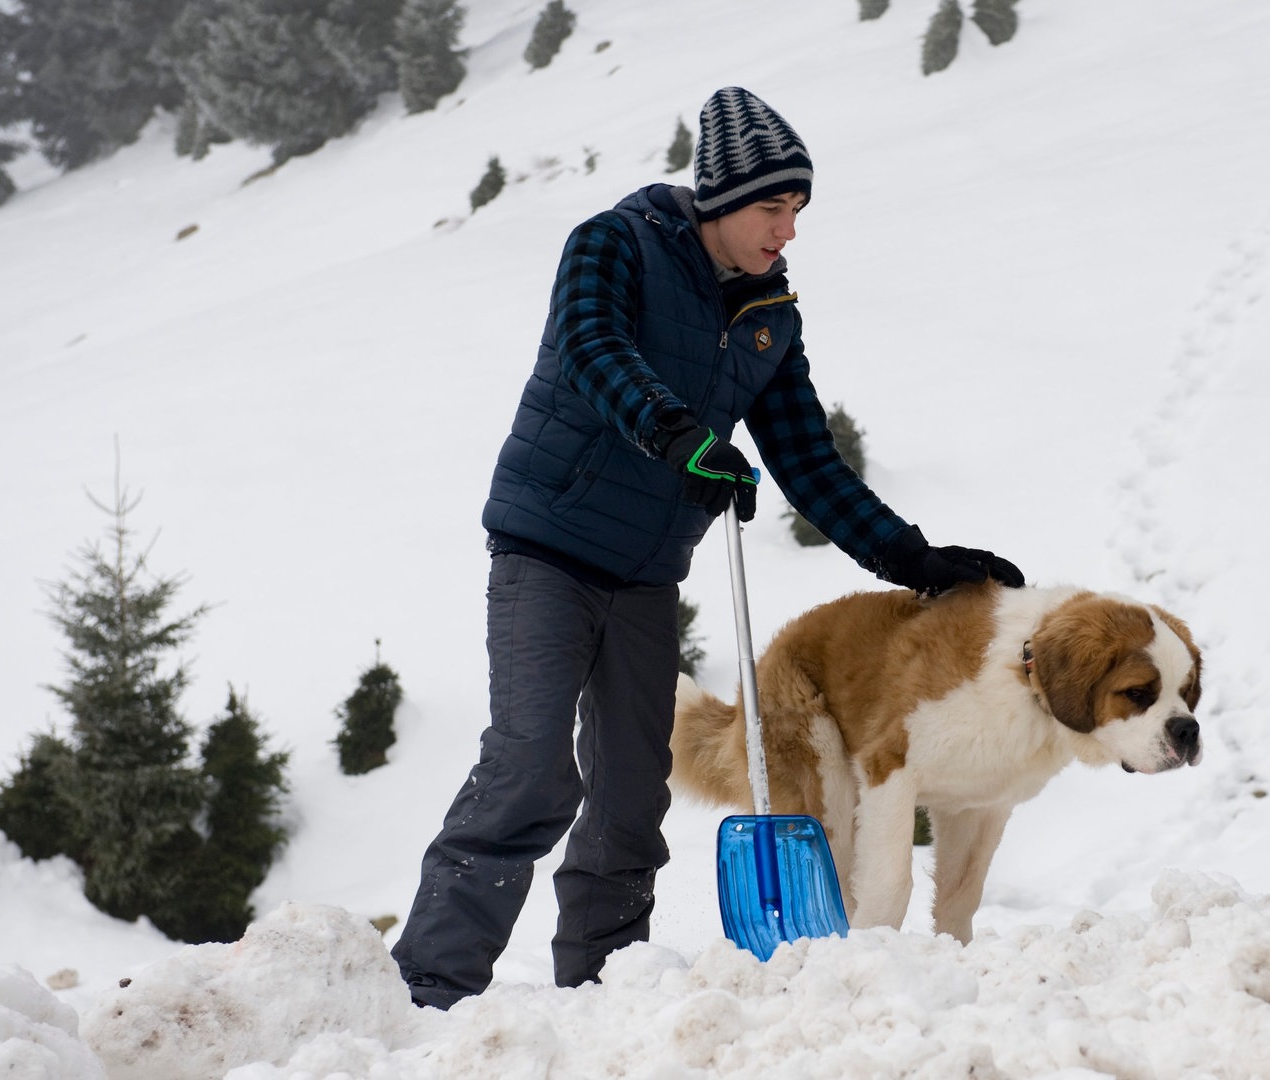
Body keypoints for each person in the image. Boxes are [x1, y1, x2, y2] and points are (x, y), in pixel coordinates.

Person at [391, 86, 1025, 1009]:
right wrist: (678, 436)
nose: (789, 230)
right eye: (775, 207)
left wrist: (914, 560)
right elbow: (593, 346)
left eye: (799, 210)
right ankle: (428, 991)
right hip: (547, 552)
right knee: (529, 768)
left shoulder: (771, 317)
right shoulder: (614, 244)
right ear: (723, 198)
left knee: (631, 795)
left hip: (645, 578)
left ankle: (602, 992)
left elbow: (810, 461)